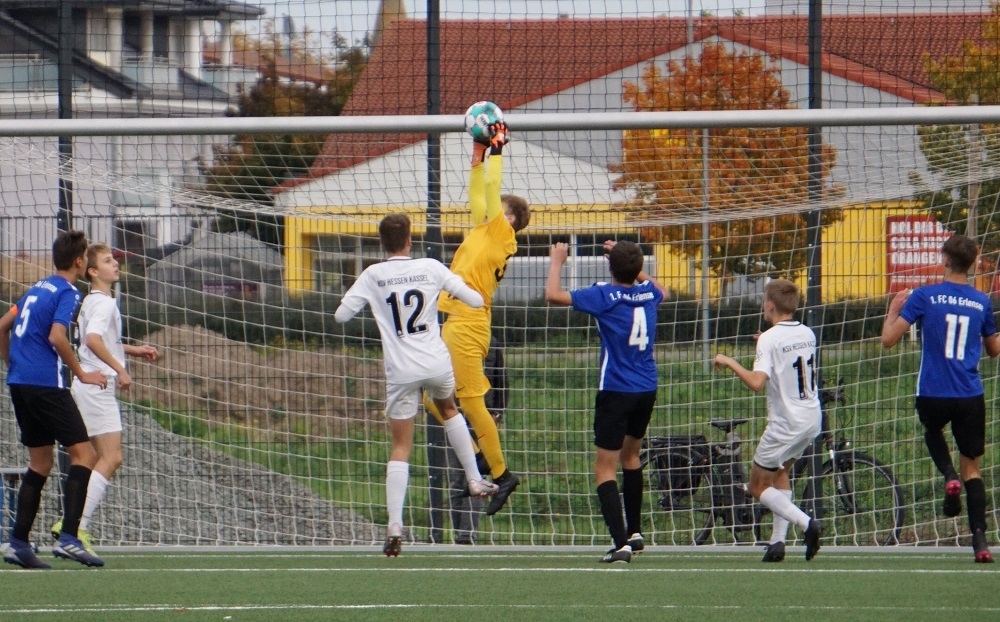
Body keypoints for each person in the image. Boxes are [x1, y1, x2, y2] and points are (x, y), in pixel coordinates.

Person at [334, 213, 499, 557]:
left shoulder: (372, 274)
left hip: (401, 370)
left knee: (401, 446)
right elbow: (474, 300)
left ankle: (395, 524)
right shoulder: (431, 267)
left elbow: (341, 316)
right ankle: (474, 478)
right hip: (436, 362)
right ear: (410, 240)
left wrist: (373, 302)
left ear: (382, 243)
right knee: (450, 409)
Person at [424, 120, 531, 516]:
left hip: (469, 325)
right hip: (455, 321)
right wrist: (476, 155)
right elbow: (478, 193)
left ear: (510, 219)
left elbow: (489, 188)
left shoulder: (502, 234)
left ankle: (502, 473)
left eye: (499, 206)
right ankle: (480, 456)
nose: (490, 206)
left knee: (469, 402)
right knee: (432, 397)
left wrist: (496, 150)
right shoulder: (483, 230)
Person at [545, 240, 667, 564]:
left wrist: (557, 261)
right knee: (631, 456)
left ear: (610, 267)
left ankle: (620, 543)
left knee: (604, 469)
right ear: (639, 268)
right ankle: (635, 532)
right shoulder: (649, 293)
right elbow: (663, 290)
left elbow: (553, 295)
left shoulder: (603, 296)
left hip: (615, 390)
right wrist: (633, 266)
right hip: (647, 388)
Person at [881, 234, 998, 563]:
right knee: (972, 468)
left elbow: (888, 340)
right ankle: (980, 541)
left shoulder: (924, 296)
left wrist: (892, 310)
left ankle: (948, 476)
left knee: (933, 431)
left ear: (945, 260)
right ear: (972, 264)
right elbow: (993, 350)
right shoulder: (982, 301)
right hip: (969, 394)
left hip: (932, 391)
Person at [0, 230, 108, 568]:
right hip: (46, 384)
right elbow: (57, 336)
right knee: (85, 455)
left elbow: (1, 326)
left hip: (20, 383)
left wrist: (12, 363)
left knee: (40, 463)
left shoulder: (36, 288)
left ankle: (18, 544)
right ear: (79, 262)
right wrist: (82, 373)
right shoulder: (68, 291)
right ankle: (70, 538)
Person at [47, 243, 159, 554]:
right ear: (93, 271)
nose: (115, 264)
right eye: (108, 261)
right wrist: (119, 369)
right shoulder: (105, 304)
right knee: (112, 458)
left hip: (88, 387)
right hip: (97, 387)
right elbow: (93, 340)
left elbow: (96, 341)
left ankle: (72, 525)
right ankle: (74, 526)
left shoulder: (92, 301)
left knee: (95, 458)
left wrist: (133, 350)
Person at [713, 279, 824, 563]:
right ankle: (777, 543)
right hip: (811, 418)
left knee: (758, 486)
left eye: (764, 301)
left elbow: (756, 382)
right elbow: (788, 355)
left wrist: (728, 361)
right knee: (780, 472)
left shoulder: (769, 339)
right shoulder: (807, 332)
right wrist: (767, 341)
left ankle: (807, 524)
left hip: (786, 424)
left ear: (771, 305)